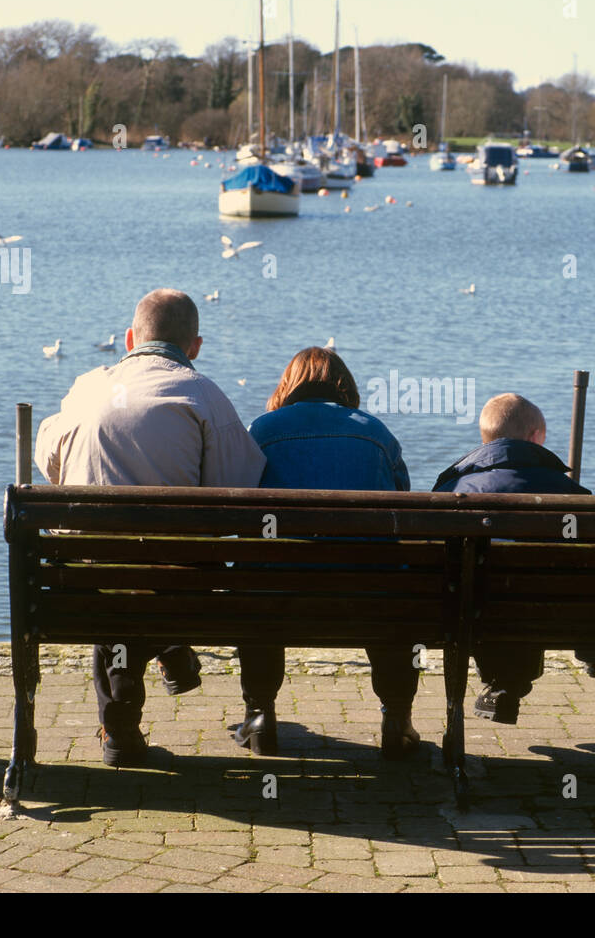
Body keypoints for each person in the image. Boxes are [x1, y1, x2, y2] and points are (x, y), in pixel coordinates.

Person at [34, 288, 266, 766]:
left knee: (113, 574)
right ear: (195, 346)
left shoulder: (86, 386)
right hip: (177, 585)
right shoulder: (202, 394)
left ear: (128, 339)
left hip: (84, 585)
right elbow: (237, 488)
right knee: (159, 570)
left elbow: (48, 462)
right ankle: (171, 647)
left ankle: (120, 728)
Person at [239, 347, 420, 759]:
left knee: (256, 586)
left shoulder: (262, 431)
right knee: (395, 594)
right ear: (345, 386)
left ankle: (260, 713)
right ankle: (396, 718)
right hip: (369, 596)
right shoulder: (375, 432)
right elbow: (403, 499)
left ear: (287, 385)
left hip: (278, 596)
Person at [432, 393, 590, 723]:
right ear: (536, 437)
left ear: (485, 438)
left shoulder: (454, 488)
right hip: (554, 613)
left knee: (479, 585)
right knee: (532, 589)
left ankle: (501, 684)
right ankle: (509, 682)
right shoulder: (572, 494)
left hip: (467, 610)